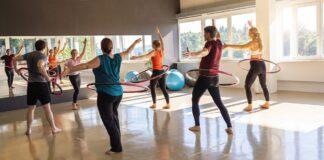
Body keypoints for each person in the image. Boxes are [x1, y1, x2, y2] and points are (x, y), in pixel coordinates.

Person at [62, 37, 142, 155]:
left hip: (106, 94)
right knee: (114, 118)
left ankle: (116, 147)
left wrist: (70, 69)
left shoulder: (100, 59)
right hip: (118, 93)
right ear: (111, 48)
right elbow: (128, 51)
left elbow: (86, 66)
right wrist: (135, 42)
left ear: (101, 48)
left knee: (109, 121)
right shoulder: (118, 57)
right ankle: (117, 143)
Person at [184, 25, 233, 134]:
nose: (203, 35)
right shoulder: (219, 43)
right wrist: (214, 24)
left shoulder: (209, 43)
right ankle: (229, 126)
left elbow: (205, 52)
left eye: (205, 33)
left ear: (210, 34)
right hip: (215, 78)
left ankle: (197, 125)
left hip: (204, 78)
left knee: (195, 100)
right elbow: (218, 35)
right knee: (219, 103)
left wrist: (192, 54)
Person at [13, 40, 62, 135]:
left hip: (31, 84)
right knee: (47, 108)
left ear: (36, 46)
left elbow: (14, 59)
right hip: (41, 84)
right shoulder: (43, 56)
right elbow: (40, 65)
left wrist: (17, 70)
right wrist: (48, 78)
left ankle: (28, 130)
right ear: (44, 47)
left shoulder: (29, 54)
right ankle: (54, 128)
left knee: (31, 108)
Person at [223, 21, 270, 112]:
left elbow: (240, 47)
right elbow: (257, 31)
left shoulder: (252, 43)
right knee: (264, 85)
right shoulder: (260, 41)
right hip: (262, 65)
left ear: (252, 34)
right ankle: (267, 103)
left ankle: (249, 106)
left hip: (255, 66)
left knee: (247, 86)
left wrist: (228, 45)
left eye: (249, 33)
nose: (248, 34)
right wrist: (251, 26)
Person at [130, 27, 170, 109]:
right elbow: (162, 41)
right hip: (162, 72)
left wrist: (135, 57)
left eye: (152, 44)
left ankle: (154, 104)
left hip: (156, 72)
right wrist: (159, 33)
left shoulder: (154, 52)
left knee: (152, 88)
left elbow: (145, 56)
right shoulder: (162, 50)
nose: (151, 45)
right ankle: (168, 104)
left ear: (154, 46)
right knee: (163, 89)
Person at [64, 38, 87, 110]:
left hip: (78, 75)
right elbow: (64, 65)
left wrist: (85, 44)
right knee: (77, 90)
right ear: (71, 54)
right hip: (72, 76)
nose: (75, 54)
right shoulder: (69, 60)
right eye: (73, 53)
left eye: (76, 53)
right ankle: (74, 104)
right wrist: (65, 69)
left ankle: (75, 101)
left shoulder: (78, 59)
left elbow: (83, 52)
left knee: (78, 90)